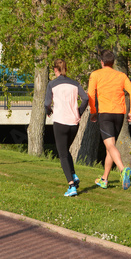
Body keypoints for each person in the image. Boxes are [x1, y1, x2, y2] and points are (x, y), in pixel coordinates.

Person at [88, 50, 131, 190]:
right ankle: (104, 179)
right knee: (111, 147)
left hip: (105, 113)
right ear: (113, 62)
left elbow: (91, 94)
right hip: (119, 114)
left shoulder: (96, 74)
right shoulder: (121, 76)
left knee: (110, 146)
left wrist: (93, 112)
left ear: (102, 62)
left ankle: (122, 170)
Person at [44, 59, 88, 197]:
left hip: (60, 121)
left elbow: (46, 103)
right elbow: (85, 98)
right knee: (65, 150)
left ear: (55, 70)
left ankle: (71, 186)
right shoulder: (75, 84)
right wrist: (79, 111)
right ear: (65, 69)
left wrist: (49, 111)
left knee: (62, 154)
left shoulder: (52, 84)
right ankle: (73, 175)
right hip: (74, 122)